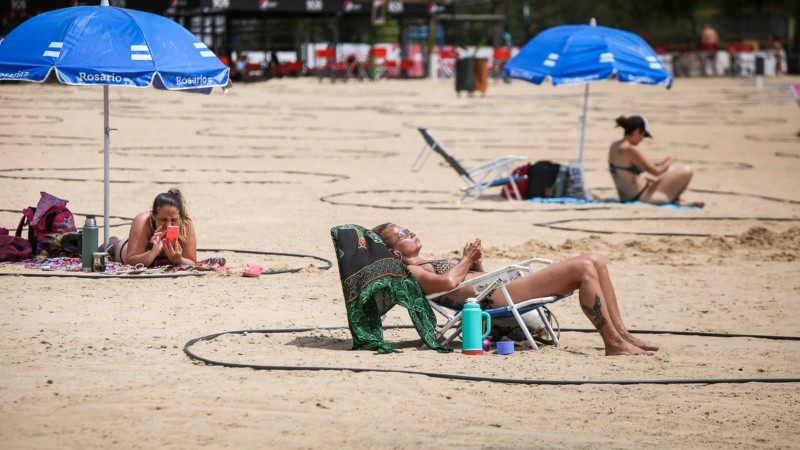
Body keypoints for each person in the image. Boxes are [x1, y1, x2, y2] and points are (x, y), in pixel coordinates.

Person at [372, 223, 660, 356]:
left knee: (596, 260)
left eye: (407, 229)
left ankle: (622, 335)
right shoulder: (412, 271)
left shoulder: (423, 262)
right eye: (403, 235)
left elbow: (469, 282)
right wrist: (466, 259)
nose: (411, 232)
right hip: (500, 296)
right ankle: (613, 343)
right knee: (584, 267)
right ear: (394, 252)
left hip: (499, 289)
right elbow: (448, 284)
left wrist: (477, 264)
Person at [609, 115, 704, 208]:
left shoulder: (615, 145)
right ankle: (678, 201)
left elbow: (627, 170)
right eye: (643, 135)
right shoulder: (630, 148)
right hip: (643, 197)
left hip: (628, 196)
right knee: (687, 170)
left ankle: (678, 200)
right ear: (637, 131)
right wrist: (670, 160)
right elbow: (656, 172)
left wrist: (660, 164)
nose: (642, 139)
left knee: (669, 170)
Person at [102, 188, 197, 267]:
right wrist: (153, 252)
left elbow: (192, 262)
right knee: (109, 246)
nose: (168, 225)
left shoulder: (185, 224)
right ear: (153, 216)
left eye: (174, 220)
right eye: (163, 220)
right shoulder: (143, 220)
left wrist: (178, 260)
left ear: (180, 217)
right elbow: (130, 261)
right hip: (125, 250)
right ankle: (112, 241)